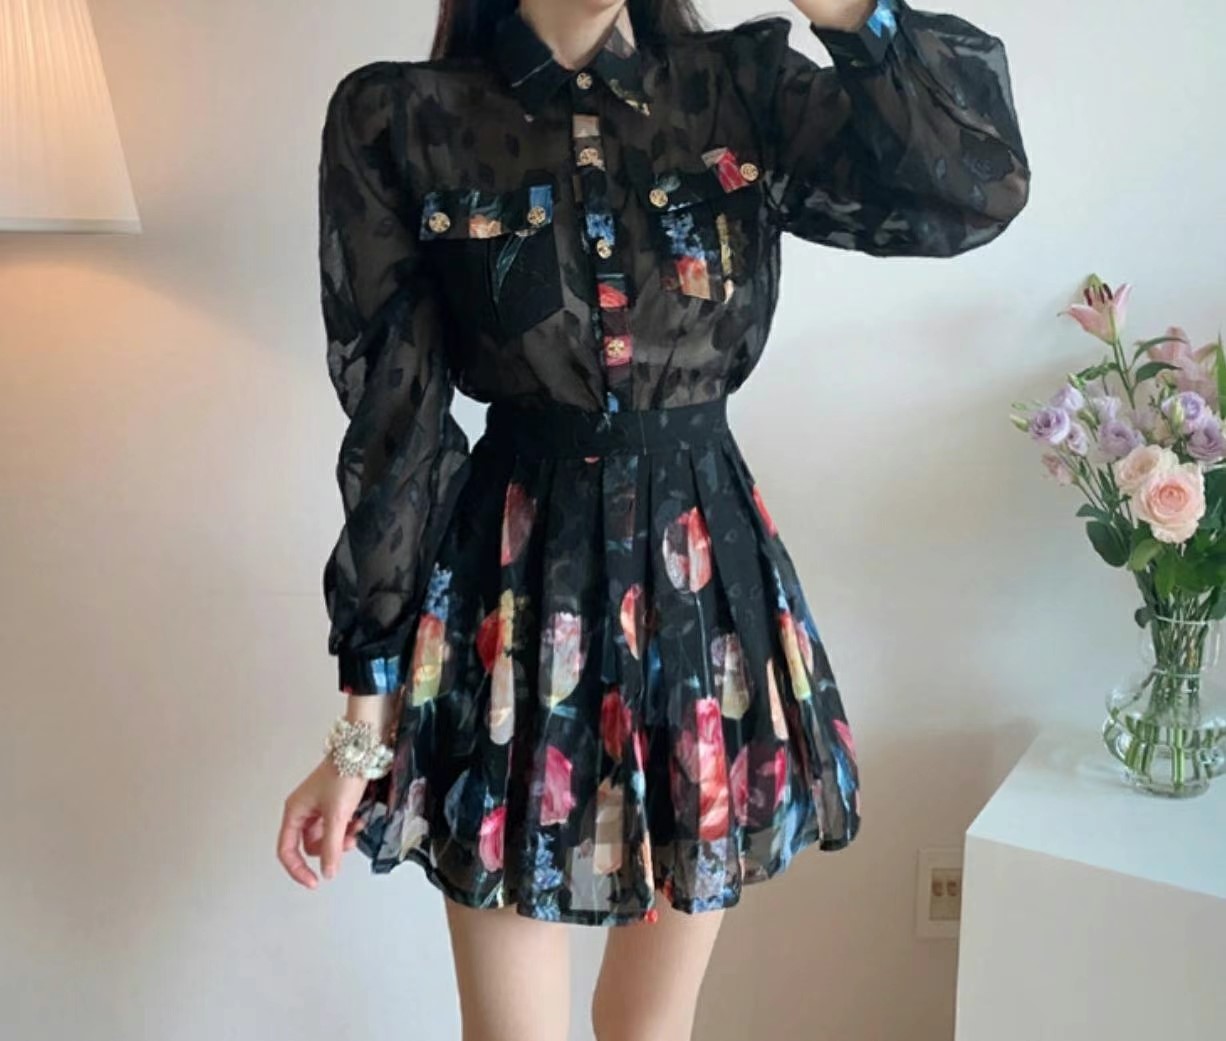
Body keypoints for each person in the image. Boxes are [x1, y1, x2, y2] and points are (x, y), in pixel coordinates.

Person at [278, 0, 1029, 1037]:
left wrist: (847, 9)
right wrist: (359, 734)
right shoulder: (403, 120)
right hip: (510, 608)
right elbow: (394, 429)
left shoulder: (739, 90)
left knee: (648, 1028)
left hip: (700, 598)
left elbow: (973, 186)